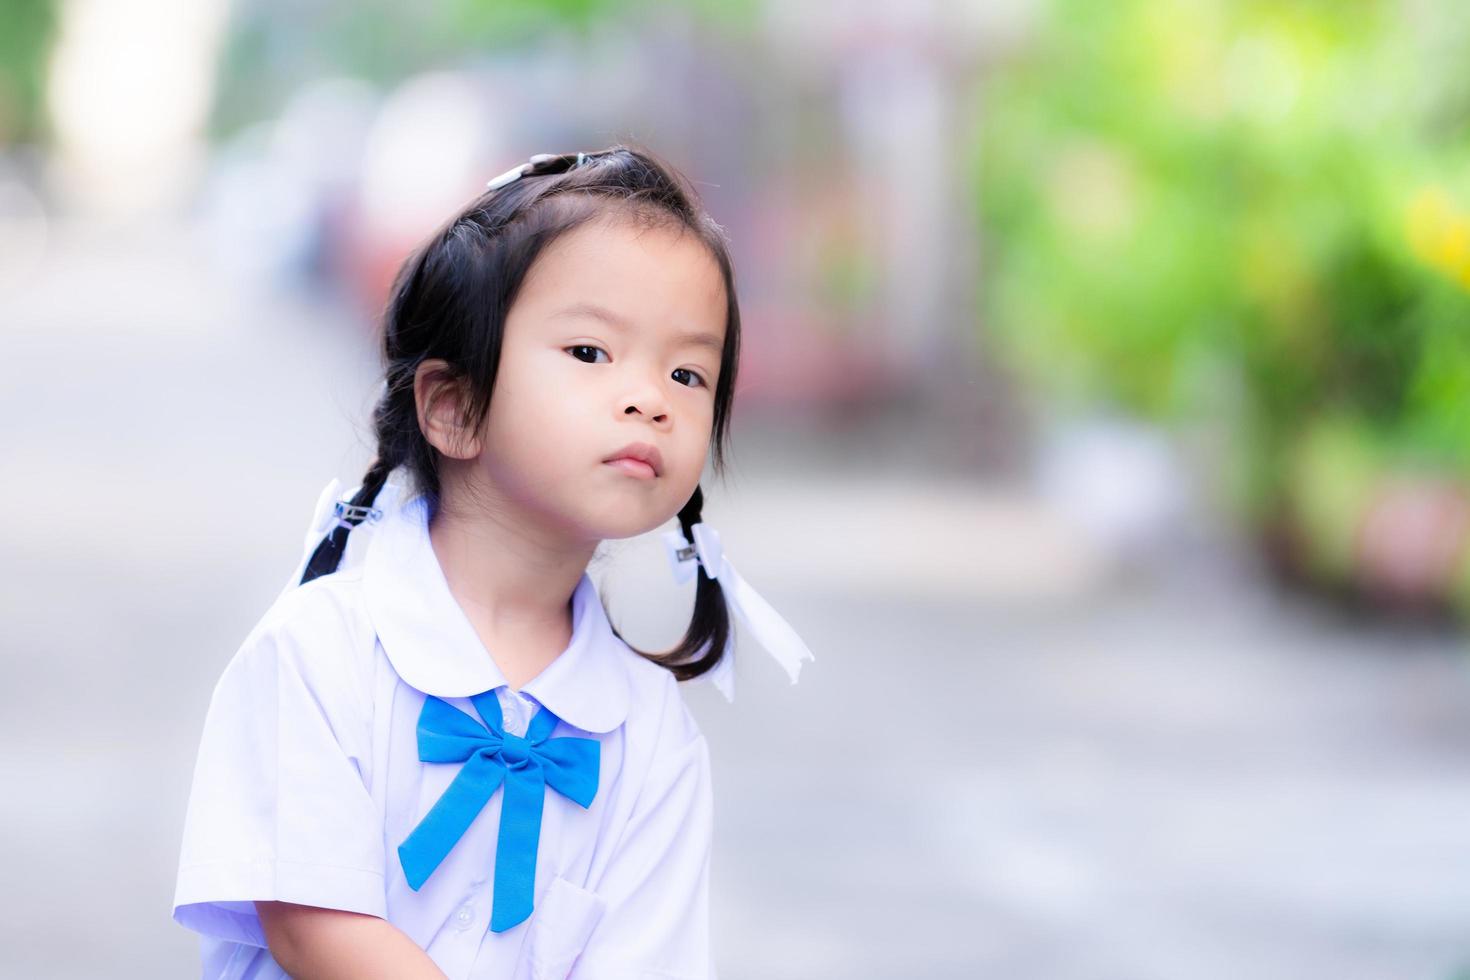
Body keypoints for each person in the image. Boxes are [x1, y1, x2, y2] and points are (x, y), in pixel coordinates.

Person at [170, 145, 814, 980]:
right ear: (454, 406)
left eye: (688, 371)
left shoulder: (651, 733)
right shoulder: (319, 651)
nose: (650, 397)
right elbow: (313, 923)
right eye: (591, 352)